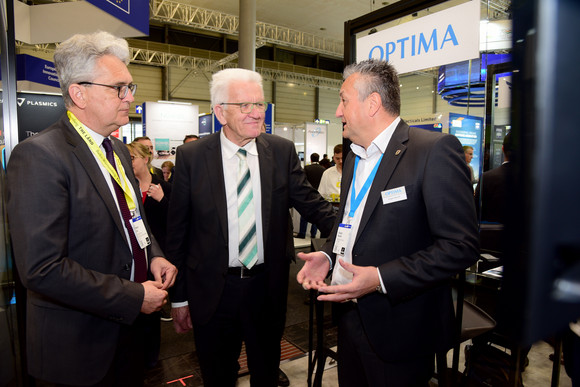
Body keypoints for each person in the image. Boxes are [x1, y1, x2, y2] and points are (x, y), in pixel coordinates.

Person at [6, 31, 177, 386]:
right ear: (78, 93)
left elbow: (133, 218)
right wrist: (133, 295)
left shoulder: (115, 150)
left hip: (127, 334)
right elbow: (41, 268)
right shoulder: (39, 156)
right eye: (119, 88)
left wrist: (153, 254)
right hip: (77, 348)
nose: (130, 97)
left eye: (129, 87)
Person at [297, 59, 479, 386]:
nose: (337, 111)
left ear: (373, 104)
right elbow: (349, 223)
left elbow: (460, 246)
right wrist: (328, 256)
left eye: (343, 100)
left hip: (402, 329)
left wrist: (380, 278)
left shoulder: (433, 151)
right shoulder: (354, 157)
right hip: (351, 318)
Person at [166, 68, 336, 387]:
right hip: (212, 291)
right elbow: (178, 232)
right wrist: (178, 298)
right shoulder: (192, 157)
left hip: (266, 287)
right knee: (217, 375)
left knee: (266, 372)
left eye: (260, 104)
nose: (257, 113)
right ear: (220, 112)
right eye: (245, 105)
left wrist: (355, 231)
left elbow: (312, 204)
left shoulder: (281, 152)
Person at [474, 132, 512, 223]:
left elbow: (476, 212)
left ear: (502, 149)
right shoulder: (533, 180)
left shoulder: (487, 178)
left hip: (490, 236)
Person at [296, 153, 326, 239]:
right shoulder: (323, 169)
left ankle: (302, 233)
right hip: (318, 193)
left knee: (304, 215)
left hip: (308, 194)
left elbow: (303, 181)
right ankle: (313, 234)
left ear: (311, 159)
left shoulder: (307, 168)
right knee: (316, 215)